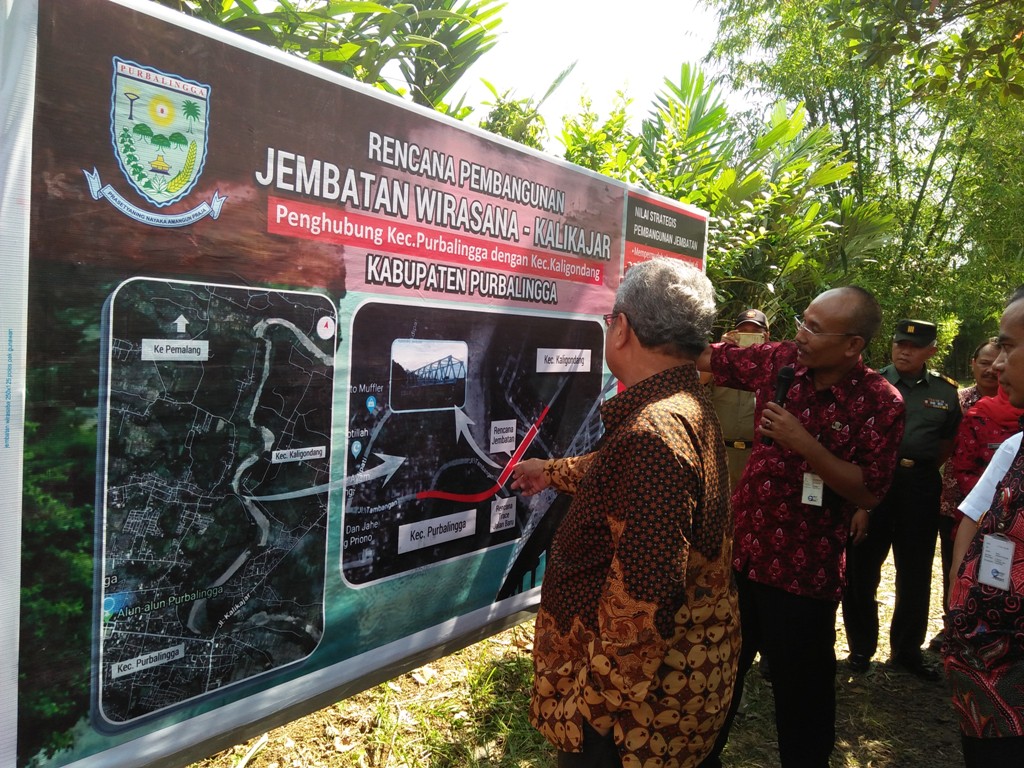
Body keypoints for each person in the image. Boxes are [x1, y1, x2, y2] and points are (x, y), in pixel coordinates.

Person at [515, 257, 741, 768]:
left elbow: (642, 602)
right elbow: (619, 477)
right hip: (674, 697)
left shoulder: (652, 434)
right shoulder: (684, 404)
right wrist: (552, 470)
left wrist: (590, 709)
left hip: (630, 727)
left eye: (608, 319)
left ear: (623, 329)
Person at [695, 286, 905, 768]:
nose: (801, 334)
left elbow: (868, 491)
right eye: (801, 320)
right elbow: (714, 357)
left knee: (802, 700)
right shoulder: (782, 363)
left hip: (801, 574)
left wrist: (803, 442)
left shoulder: (880, 401)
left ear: (853, 344)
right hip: (740, 555)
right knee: (715, 679)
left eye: (814, 327)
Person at [842, 319, 962, 680]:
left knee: (915, 572)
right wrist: (861, 502)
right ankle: (861, 648)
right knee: (861, 570)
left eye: (914, 346)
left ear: (932, 351)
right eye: (899, 344)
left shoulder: (945, 392)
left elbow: (944, 444)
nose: (904, 350)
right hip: (872, 486)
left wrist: (916, 468)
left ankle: (906, 650)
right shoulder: (870, 384)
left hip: (920, 487)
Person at [944, 287, 1024, 766]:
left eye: (1009, 347)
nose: (996, 364)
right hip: (984, 680)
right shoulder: (1018, 446)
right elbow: (973, 520)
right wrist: (959, 610)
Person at [936, 338, 1001, 614]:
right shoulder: (956, 400)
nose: (990, 370)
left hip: (1001, 507)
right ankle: (951, 624)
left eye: (995, 364)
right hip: (955, 503)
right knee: (954, 566)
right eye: (984, 363)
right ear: (973, 364)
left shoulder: (1017, 403)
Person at [709, 309, 770, 490]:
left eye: (755, 334)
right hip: (720, 453)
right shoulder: (720, 364)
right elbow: (697, 385)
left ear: (766, 336)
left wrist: (766, 353)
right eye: (744, 333)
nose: (749, 339)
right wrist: (720, 350)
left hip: (755, 454)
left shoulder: (775, 366)